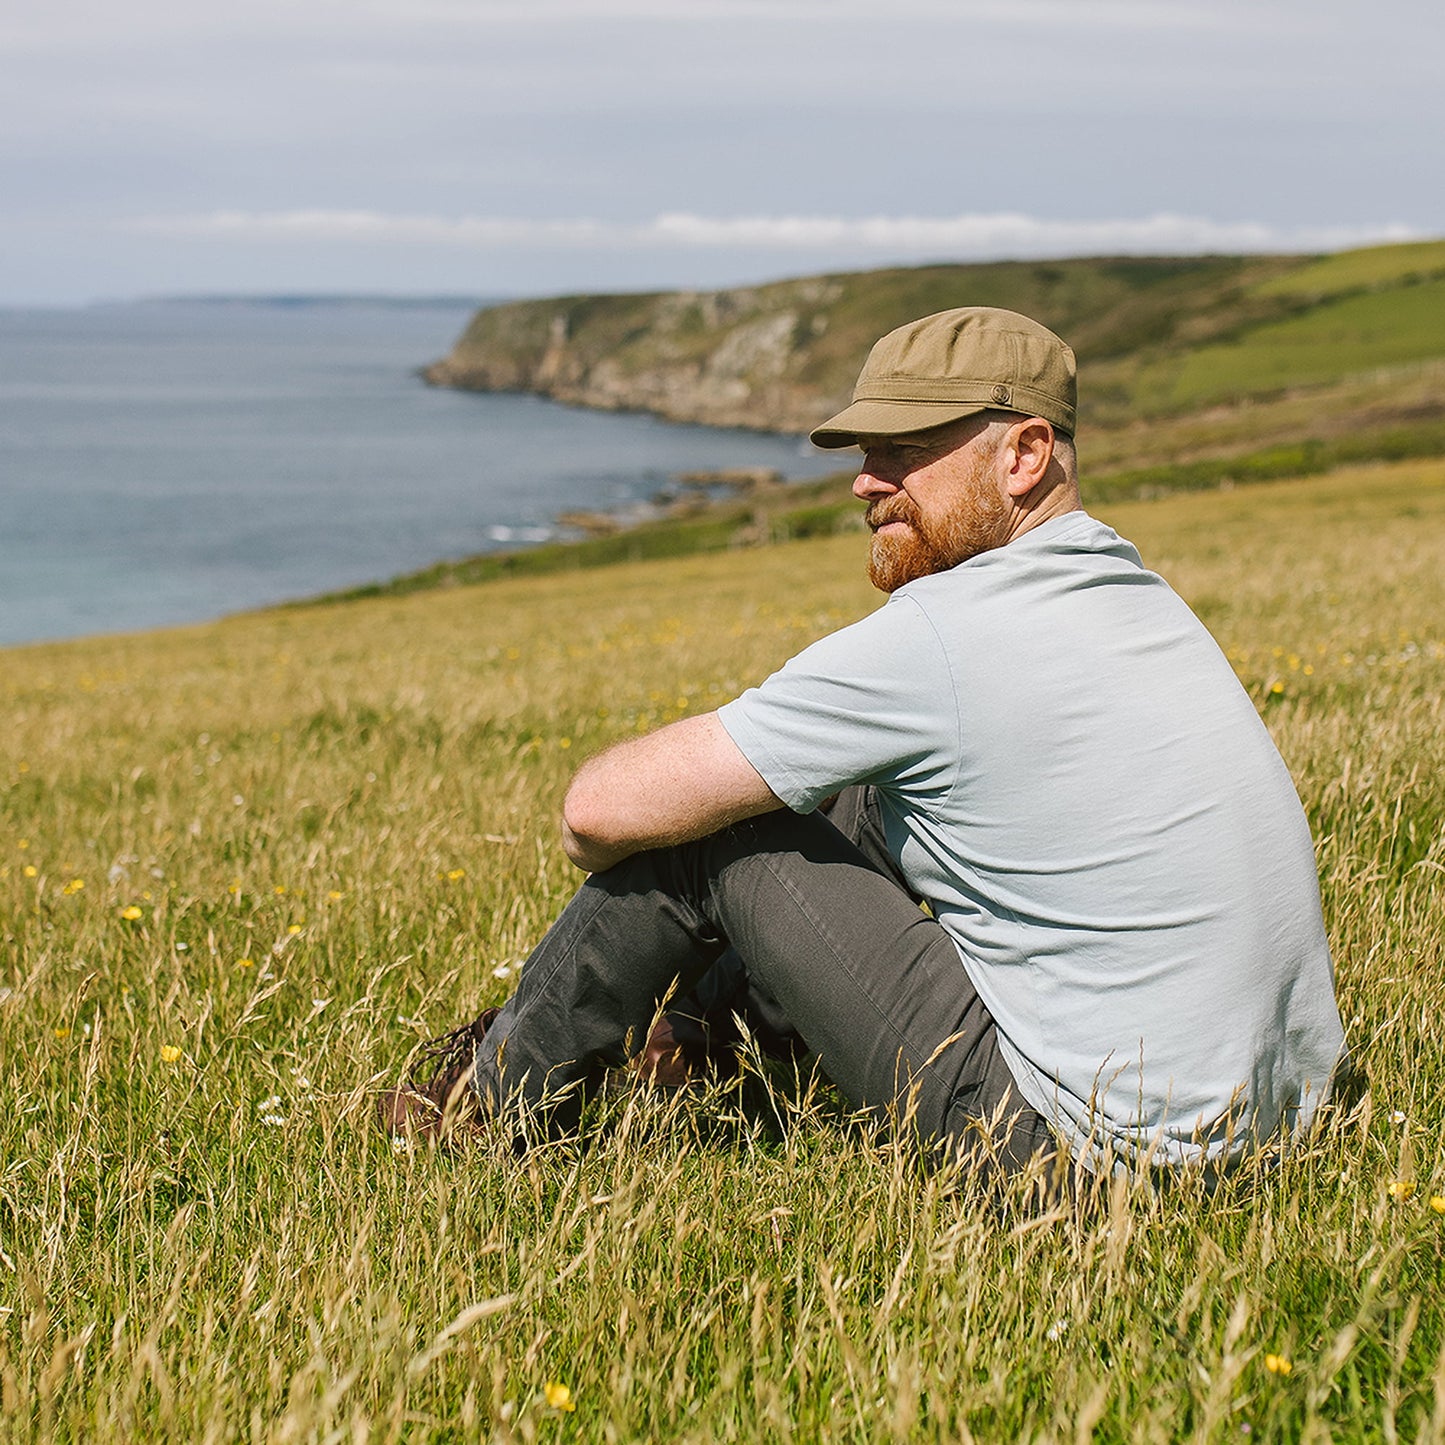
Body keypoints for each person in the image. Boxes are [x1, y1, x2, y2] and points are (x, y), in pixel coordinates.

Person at [380, 306, 1349, 1182]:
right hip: (1274, 1133)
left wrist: (623, 843)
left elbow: (595, 814)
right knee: (847, 796)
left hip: (1084, 1166)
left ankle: (480, 1110)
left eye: (905, 447)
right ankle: (688, 1052)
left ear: (1024, 454)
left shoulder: (945, 633)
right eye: (862, 448)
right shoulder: (1134, 597)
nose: (862, 479)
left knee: (712, 829)